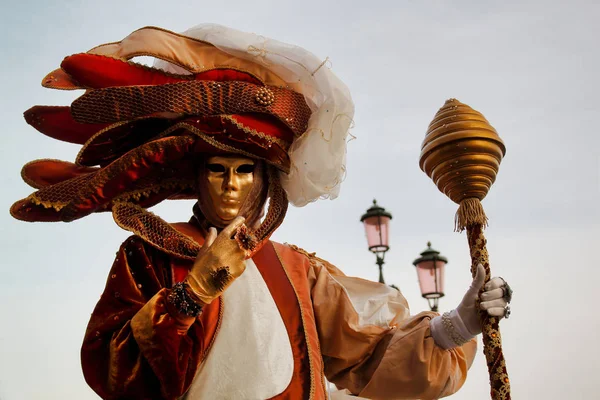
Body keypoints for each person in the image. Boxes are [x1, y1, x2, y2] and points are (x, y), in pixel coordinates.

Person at [10, 24, 512, 400]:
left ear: (264, 179)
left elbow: (368, 357)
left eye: (245, 169)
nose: (231, 183)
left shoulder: (297, 271)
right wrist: (191, 295)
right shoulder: (149, 255)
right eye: (217, 169)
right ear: (195, 175)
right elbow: (113, 369)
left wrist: (459, 324)